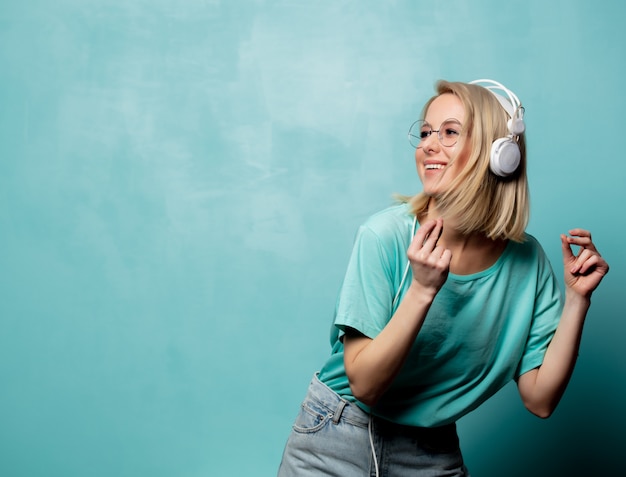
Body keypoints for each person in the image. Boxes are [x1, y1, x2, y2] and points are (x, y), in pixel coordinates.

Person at [277, 79, 609, 477]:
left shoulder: (527, 261)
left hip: (430, 448)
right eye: (425, 133)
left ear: (500, 155)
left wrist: (577, 301)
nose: (428, 146)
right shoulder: (384, 236)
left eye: (449, 132)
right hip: (339, 435)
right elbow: (364, 385)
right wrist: (422, 290)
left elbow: (540, 400)